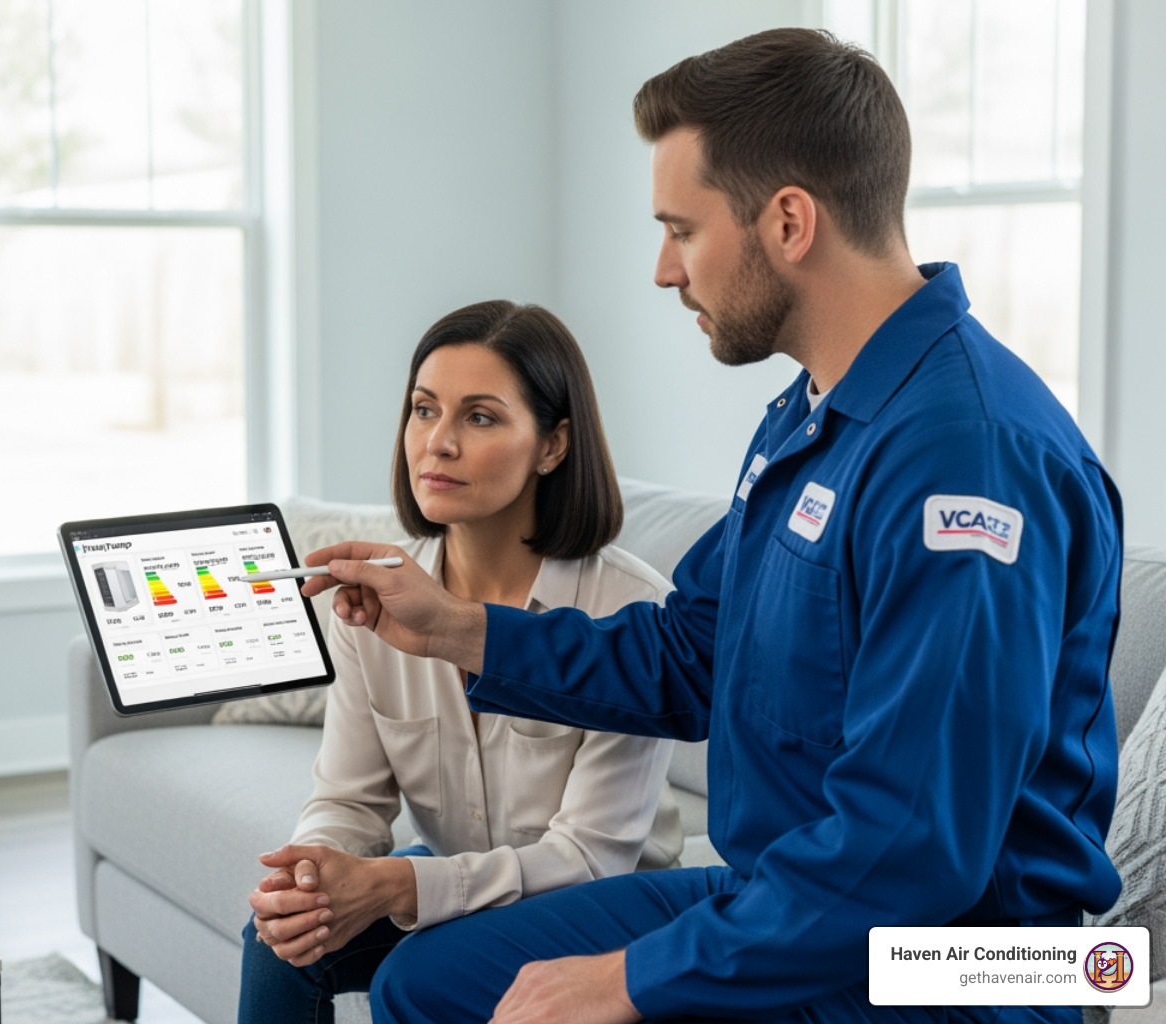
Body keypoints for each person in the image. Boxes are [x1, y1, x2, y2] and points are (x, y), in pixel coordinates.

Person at [300, 28, 1124, 1024]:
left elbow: (908, 847)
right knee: (430, 985)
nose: (662, 269)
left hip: (945, 966)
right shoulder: (810, 417)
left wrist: (631, 979)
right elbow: (692, 651)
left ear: (787, 223)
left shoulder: (966, 462)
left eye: (681, 229)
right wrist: (451, 630)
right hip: (789, 897)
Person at [237, 300, 685, 1023]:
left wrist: (393, 888)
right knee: (285, 939)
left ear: (552, 445)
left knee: (413, 971)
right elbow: (349, 798)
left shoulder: (629, 612)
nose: (436, 443)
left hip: (599, 903)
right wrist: (315, 871)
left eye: (479, 417)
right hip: (463, 878)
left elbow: (589, 858)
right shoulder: (372, 600)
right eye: (423, 410)